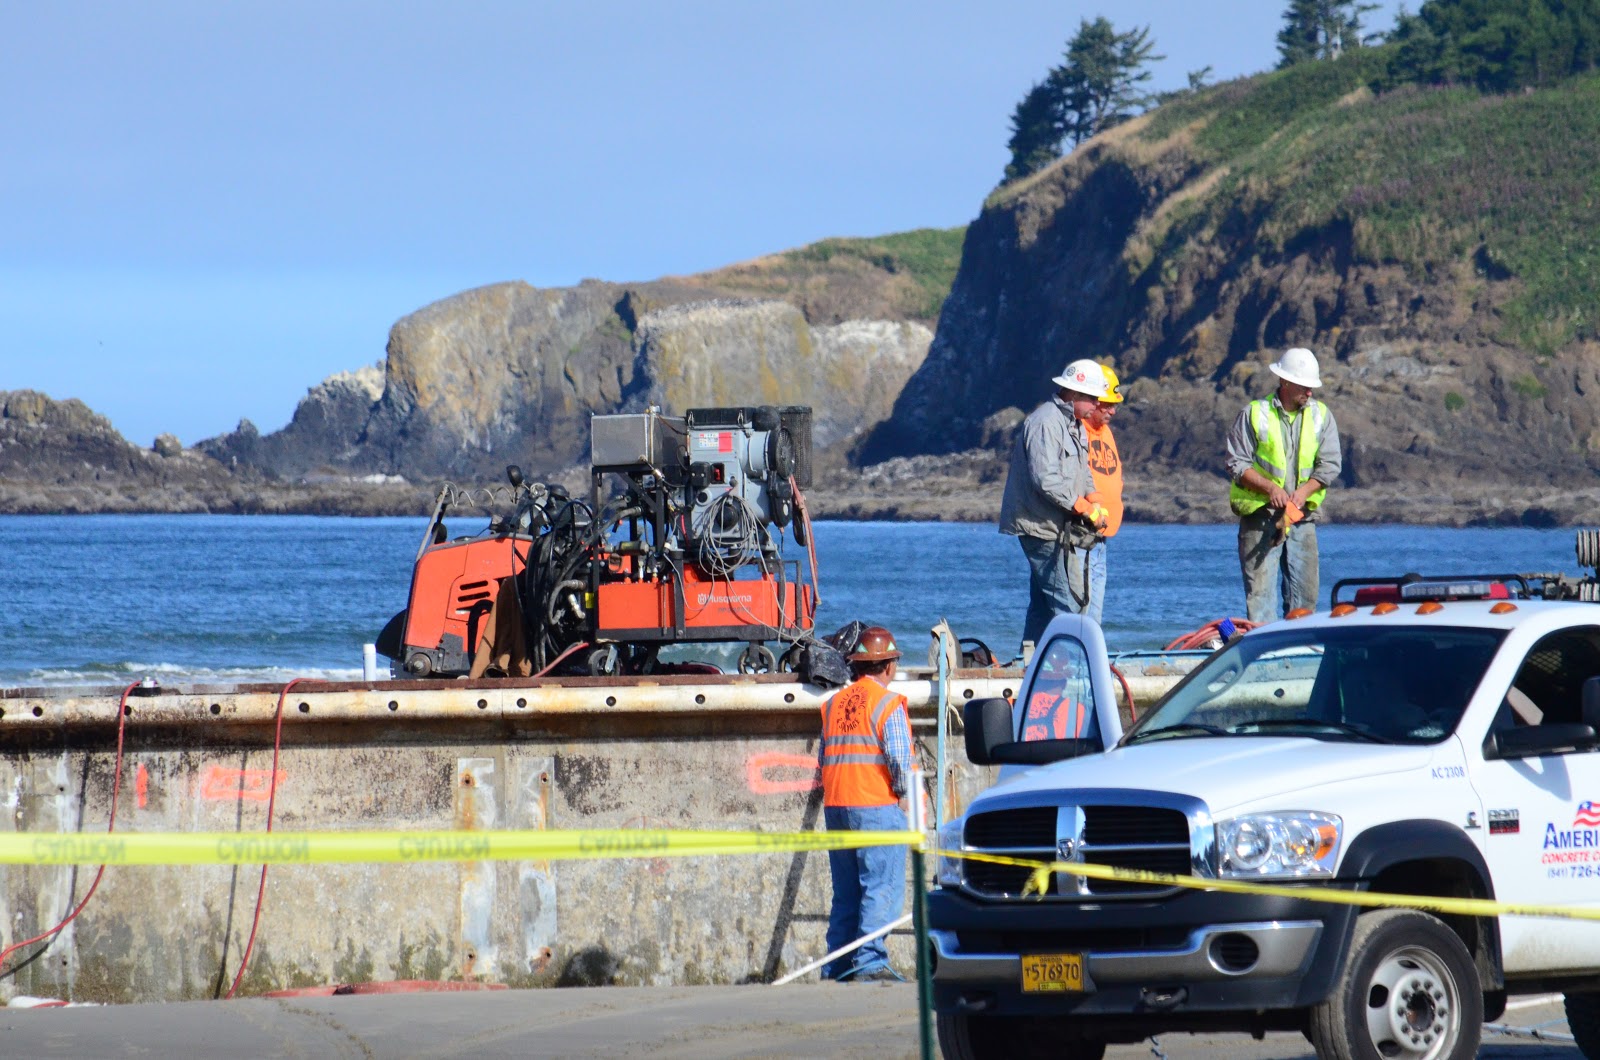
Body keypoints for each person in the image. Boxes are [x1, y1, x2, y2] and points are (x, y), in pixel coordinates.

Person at [818, 625, 915, 982]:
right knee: (881, 887)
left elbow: (823, 759)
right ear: (888, 666)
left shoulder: (833, 705)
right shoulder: (887, 703)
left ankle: (838, 966)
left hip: (837, 807)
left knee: (846, 894)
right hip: (875, 805)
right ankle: (870, 964)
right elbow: (900, 759)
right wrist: (903, 797)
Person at [999, 359, 1113, 650]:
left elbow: (1083, 470)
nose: (1097, 404)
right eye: (1093, 398)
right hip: (1040, 528)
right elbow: (1044, 478)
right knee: (1072, 607)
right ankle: (1074, 673)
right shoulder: (1045, 422)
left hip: (1055, 527)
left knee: (1041, 608)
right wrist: (1082, 508)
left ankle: (1028, 665)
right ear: (1073, 394)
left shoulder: (1075, 423)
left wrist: (1095, 499)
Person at [1226, 347, 1343, 622]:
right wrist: (1270, 489)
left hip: (1302, 520)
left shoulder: (1321, 416)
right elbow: (1236, 463)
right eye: (1305, 386)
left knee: (1305, 600)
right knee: (1260, 599)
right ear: (1285, 382)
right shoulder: (1255, 414)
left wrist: (1303, 493)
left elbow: (1330, 464)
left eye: (1312, 387)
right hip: (1261, 519)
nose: (1310, 392)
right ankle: (1265, 654)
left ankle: (1300, 652)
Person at [1081, 364, 1125, 626]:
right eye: (1106, 404)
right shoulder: (1077, 431)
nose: (1112, 410)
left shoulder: (1105, 431)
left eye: (1114, 404)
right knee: (1082, 607)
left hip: (1102, 534)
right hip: (1082, 531)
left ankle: (1090, 658)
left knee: (1095, 609)